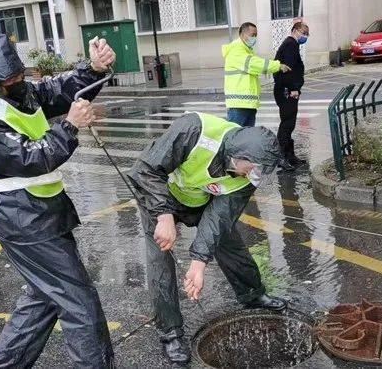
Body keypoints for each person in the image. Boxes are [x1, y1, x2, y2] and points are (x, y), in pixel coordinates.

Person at [0, 29, 117, 368]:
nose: (20, 81)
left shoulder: (16, 92)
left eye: (20, 74)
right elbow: (30, 158)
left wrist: (94, 69)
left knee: (43, 299)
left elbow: (57, 89)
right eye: (13, 77)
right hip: (25, 222)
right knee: (79, 304)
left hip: (42, 215)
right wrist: (69, 126)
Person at [126, 112, 287, 364]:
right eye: (253, 169)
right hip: (159, 198)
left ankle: (252, 293)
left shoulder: (245, 177)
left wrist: (198, 262)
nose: (253, 176)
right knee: (160, 259)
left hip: (200, 201)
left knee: (228, 240)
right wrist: (164, 216)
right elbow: (144, 170)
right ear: (240, 156)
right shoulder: (194, 130)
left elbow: (219, 218)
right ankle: (170, 333)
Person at [223, 22, 291, 127]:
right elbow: (254, 64)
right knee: (235, 138)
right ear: (242, 34)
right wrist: (278, 66)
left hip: (247, 104)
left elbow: (256, 66)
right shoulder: (236, 49)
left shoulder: (247, 50)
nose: (254, 38)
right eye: (252, 35)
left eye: (256, 35)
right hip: (238, 105)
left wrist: (269, 70)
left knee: (247, 139)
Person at [273, 22, 309, 171]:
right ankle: (282, 157)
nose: (305, 36)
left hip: (287, 90)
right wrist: (293, 88)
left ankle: (290, 156)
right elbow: (286, 70)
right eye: (303, 32)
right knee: (287, 124)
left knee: (289, 123)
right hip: (287, 91)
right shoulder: (290, 44)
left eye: (307, 34)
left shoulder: (292, 44)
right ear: (294, 30)